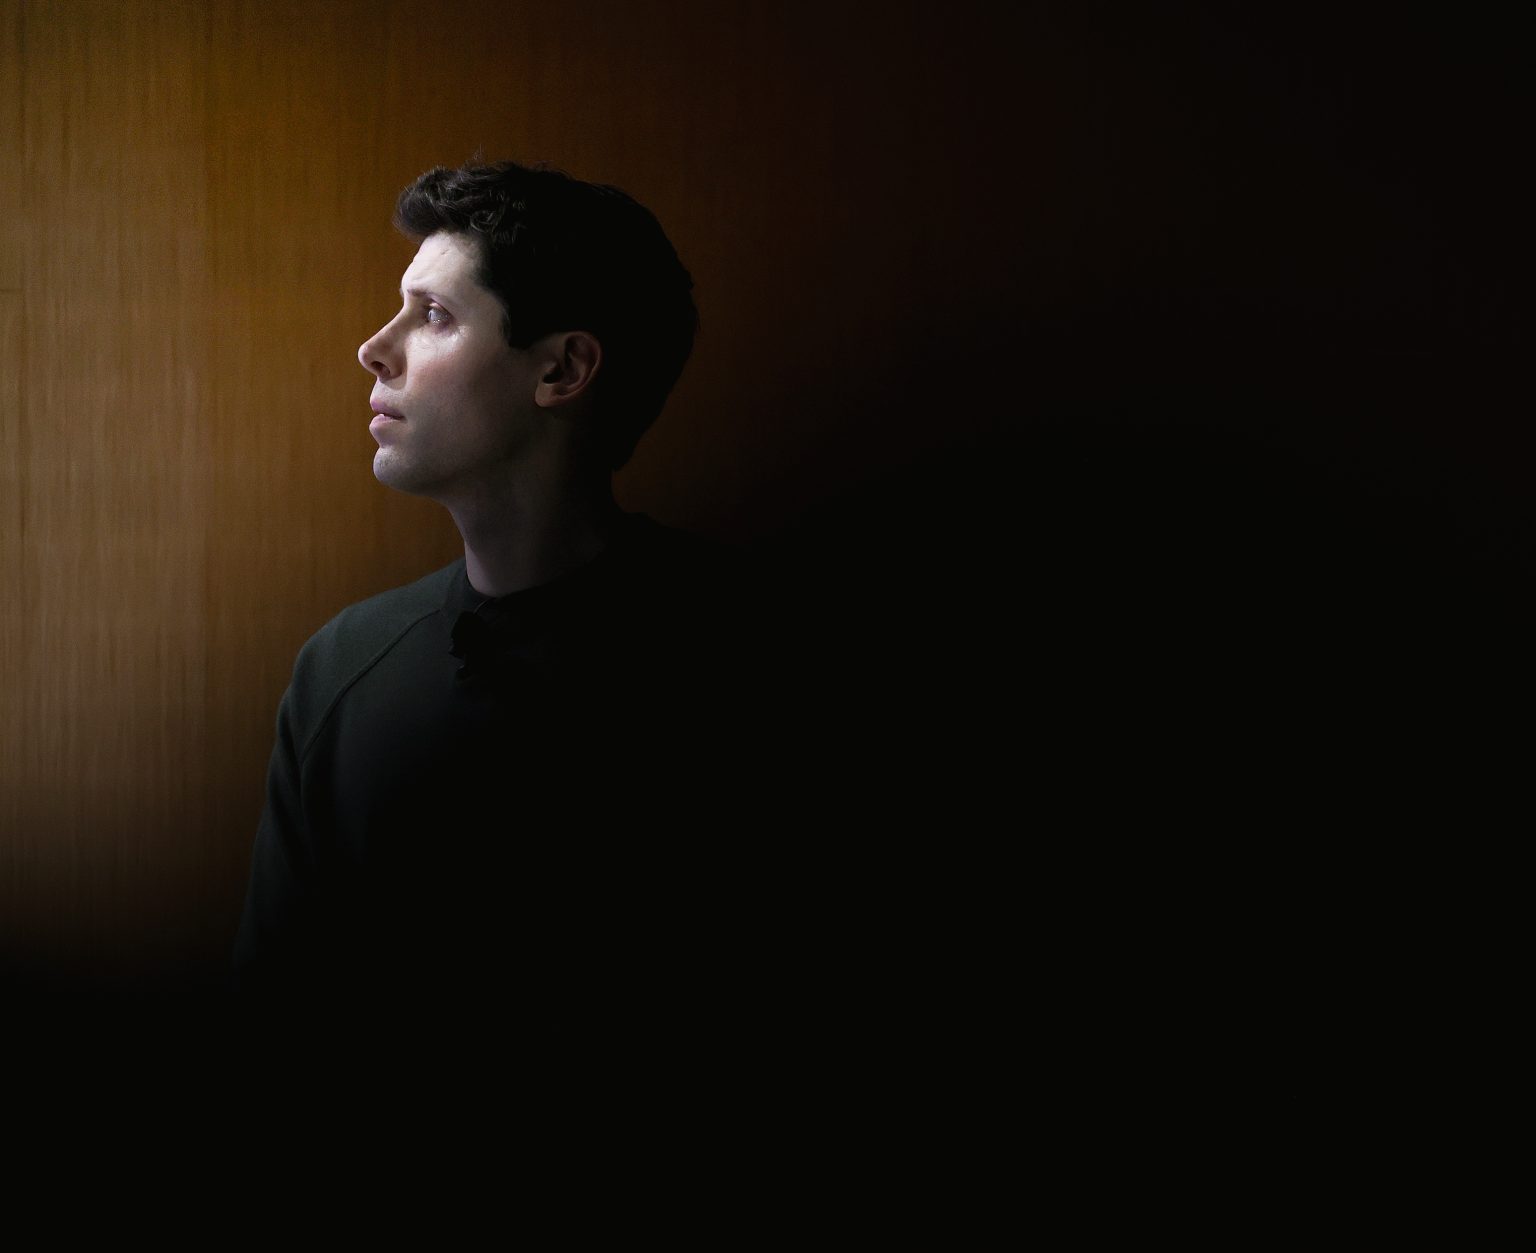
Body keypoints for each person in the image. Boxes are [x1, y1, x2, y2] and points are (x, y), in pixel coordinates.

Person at [232, 160, 736, 1019]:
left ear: (563, 369)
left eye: (433, 315)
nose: (373, 348)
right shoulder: (342, 670)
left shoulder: (764, 657)